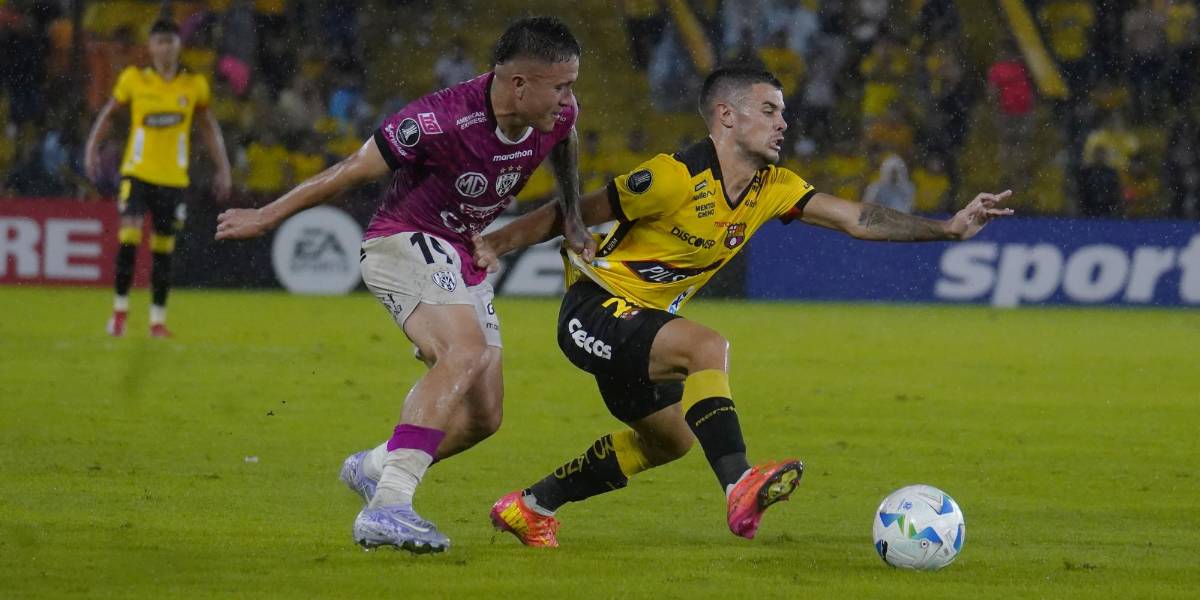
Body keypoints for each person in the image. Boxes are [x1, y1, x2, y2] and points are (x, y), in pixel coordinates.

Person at [472, 67, 1012, 547]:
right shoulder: (671, 177)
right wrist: (493, 245)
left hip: (643, 324)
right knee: (707, 346)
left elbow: (856, 218)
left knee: (671, 440)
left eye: (784, 113)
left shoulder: (774, 186)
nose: (783, 124)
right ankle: (739, 485)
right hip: (593, 309)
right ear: (727, 116)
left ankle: (530, 507)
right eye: (770, 110)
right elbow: (567, 213)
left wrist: (947, 228)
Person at [213, 17, 594, 554]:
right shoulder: (438, 120)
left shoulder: (558, 115)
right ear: (518, 85)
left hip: (462, 251)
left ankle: (373, 467)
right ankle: (389, 507)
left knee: (486, 417)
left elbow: (566, 138)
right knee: (463, 352)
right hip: (403, 239)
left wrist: (573, 216)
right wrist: (267, 216)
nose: (569, 99)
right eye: (561, 86)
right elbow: (350, 170)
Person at [84, 17, 232, 338]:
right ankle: (120, 313)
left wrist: (223, 167)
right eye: (160, 42)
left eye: (170, 41)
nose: (165, 47)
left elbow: (208, 127)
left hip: (173, 179)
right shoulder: (134, 80)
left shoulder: (193, 85)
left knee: (163, 250)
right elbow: (109, 114)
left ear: (179, 46)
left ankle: (157, 321)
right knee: (130, 238)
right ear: (150, 48)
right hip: (137, 173)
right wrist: (91, 149)